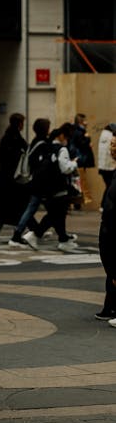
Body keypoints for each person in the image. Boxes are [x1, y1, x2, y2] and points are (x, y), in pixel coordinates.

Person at [23, 123, 79, 251]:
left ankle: (63, 239)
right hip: (58, 187)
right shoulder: (62, 149)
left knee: (58, 214)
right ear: (62, 135)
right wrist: (74, 164)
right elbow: (65, 168)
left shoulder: (47, 146)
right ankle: (35, 234)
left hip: (45, 187)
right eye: (67, 137)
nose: (67, 140)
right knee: (55, 215)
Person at [0, 113, 30, 243]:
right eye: (22, 123)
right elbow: (19, 156)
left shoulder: (8, 136)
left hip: (7, 180)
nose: (23, 125)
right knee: (17, 207)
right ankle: (25, 232)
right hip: (13, 180)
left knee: (4, 208)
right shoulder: (14, 138)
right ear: (19, 123)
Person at [8, 118, 51, 247]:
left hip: (34, 182)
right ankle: (20, 235)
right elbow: (40, 164)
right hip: (39, 183)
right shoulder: (42, 144)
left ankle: (36, 232)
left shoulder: (34, 141)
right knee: (38, 209)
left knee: (33, 208)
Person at [98, 135, 116, 323]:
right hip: (109, 229)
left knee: (113, 267)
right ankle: (110, 306)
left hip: (111, 229)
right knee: (111, 268)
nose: (110, 148)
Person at [97, 123, 116, 208]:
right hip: (109, 167)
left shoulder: (103, 135)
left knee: (108, 186)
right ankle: (103, 205)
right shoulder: (110, 136)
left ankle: (103, 205)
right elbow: (110, 151)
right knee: (110, 187)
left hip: (102, 166)